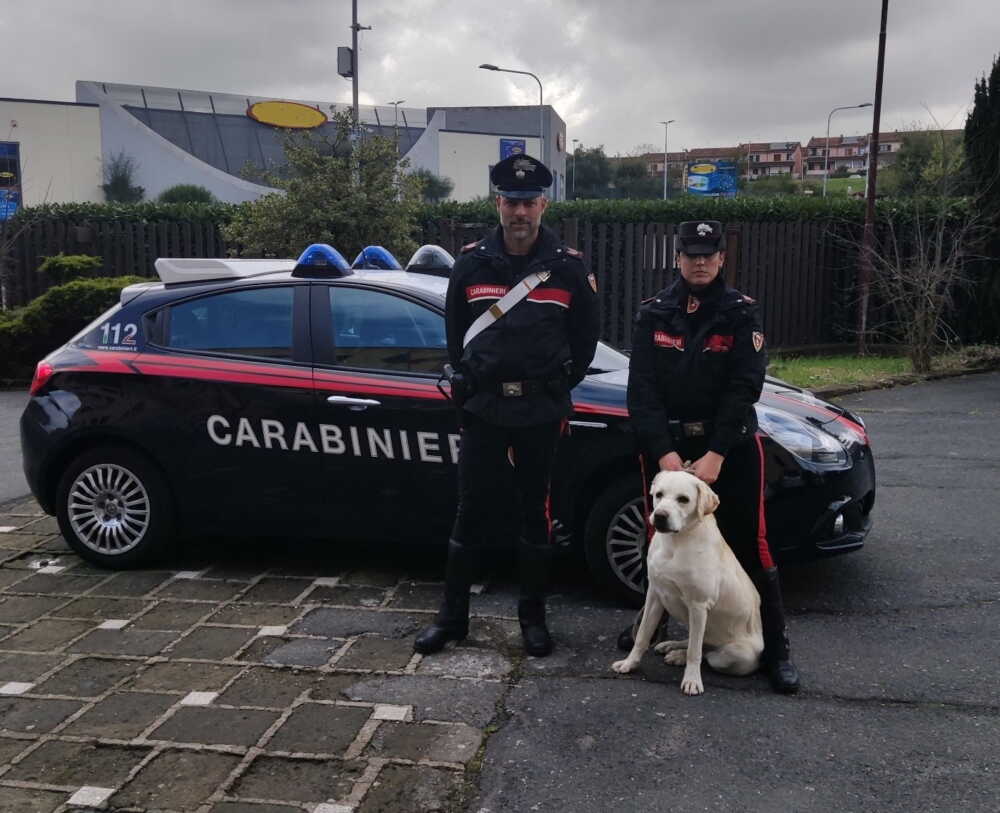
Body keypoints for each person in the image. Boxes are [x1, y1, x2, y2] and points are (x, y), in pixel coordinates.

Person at [414, 154, 600, 657]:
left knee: (535, 515)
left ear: (543, 204)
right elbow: (457, 338)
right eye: (511, 202)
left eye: (529, 203)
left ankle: (533, 622)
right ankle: (452, 620)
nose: (520, 213)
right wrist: (473, 386)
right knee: (469, 511)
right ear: (498, 203)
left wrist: (558, 388)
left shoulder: (567, 268)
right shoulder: (471, 263)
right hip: (485, 409)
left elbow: (585, 340)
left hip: (539, 411)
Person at [624, 220, 801, 694]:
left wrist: (717, 453)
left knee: (750, 540)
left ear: (722, 258)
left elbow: (745, 386)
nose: (699, 262)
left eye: (709, 253)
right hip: (669, 448)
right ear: (677, 258)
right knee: (661, 543)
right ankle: (653, 628)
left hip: (731, 447)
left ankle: (777, 648)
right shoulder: (654, 312)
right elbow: (641, 390)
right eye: (691, 254)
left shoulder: (742, 312)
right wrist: (664, 452)